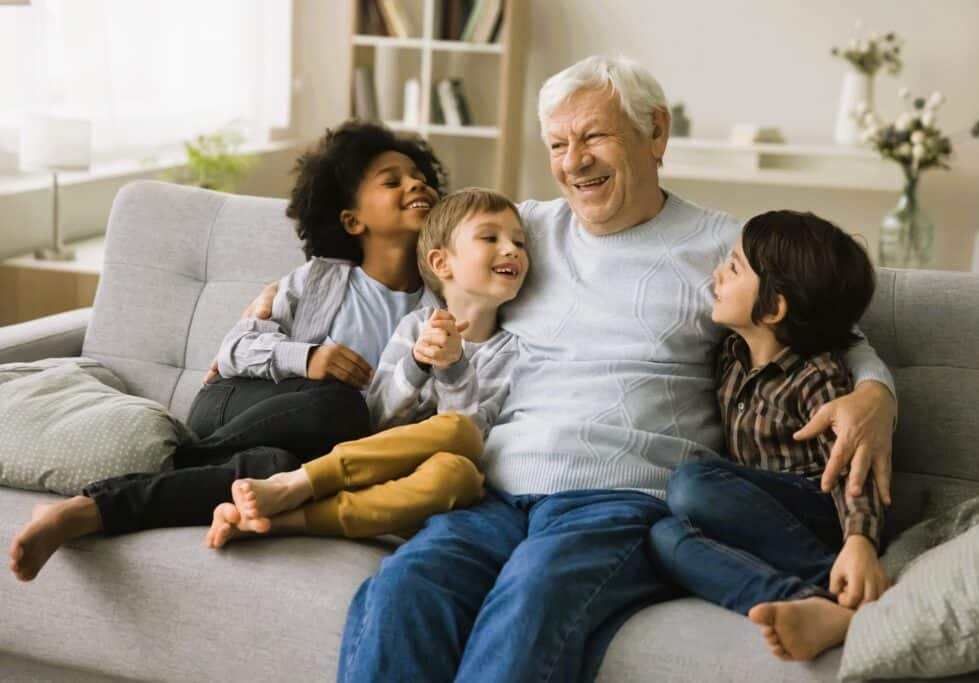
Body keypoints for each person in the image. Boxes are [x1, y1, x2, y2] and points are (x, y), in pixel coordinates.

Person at [226, 57, 898, 683]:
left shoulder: (725, 245)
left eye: (593, 137)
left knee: (530, 603)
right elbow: (424, 269)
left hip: (621, 500)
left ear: (654, 131)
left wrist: (876, 395)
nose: (573, 162)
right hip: (494, 490)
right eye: (556, 144)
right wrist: (283, 311)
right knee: (405, 588)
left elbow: (829, 326)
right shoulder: (525, 231)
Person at [8, 121, 447, 582]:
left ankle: (87, 510)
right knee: (339, 403)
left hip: (306, 446)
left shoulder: (436, 309)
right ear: (352, 220)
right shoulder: (317, 281)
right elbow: (236, 348)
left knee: (275, 472)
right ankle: (182, 457)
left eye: (419, 176)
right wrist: (309, 358)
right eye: (392, 180)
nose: (416, 183)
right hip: (233, 402)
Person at [205, 187, 528, 547]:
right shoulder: (414, 326)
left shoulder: (510, 351)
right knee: (455, 442)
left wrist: (453, 368)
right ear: (441, 264)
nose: (512, 249)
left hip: (418, 488)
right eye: (490, 237)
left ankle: (286, 519)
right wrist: (418, 362)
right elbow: (377, 417)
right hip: (369, 464)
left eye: (520, 242)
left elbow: (469, 439)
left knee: (462, 473)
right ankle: (299, 483)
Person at [649, 210, 889, 663]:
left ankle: (839, 581)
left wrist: (861, 541)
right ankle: (806, 602)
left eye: (734, 267)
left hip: (818, 510)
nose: (716, 273)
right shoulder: (729, 354)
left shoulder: (817, 378)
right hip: (756, 519)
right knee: (663, 536)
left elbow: (851, 468)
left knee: (692, 483)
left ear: (774, 308)